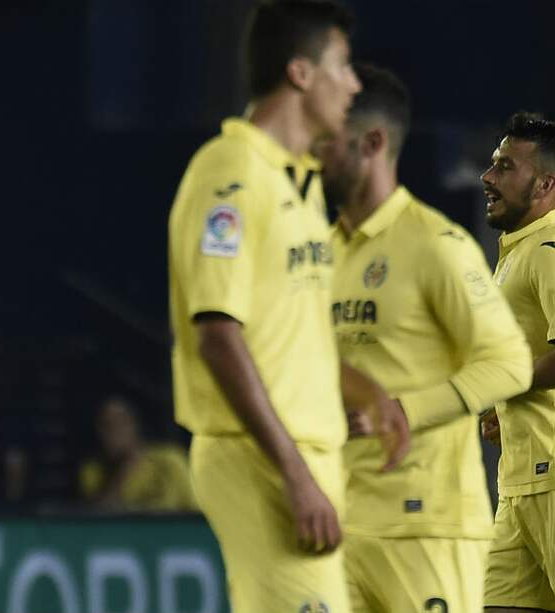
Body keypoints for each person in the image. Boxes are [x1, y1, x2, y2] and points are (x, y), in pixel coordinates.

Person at [168, 2, 407, 611]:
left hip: (308, 455)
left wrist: (367, 394)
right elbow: (218, 335)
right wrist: (294, 475)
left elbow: (289, 338)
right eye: (342, 66)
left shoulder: (296, 183)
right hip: (262, 461)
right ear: (300, 73)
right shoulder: (230, 173)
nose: (353, 85)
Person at [318, 64, 532, 613]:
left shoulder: (436, 244)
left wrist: (402, 411)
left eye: (328, 139)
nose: (315, 151)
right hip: (340, 523)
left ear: (372, 142)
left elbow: (510, 363)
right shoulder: (319, 255)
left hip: (428, 528)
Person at [479, 113, 555, 612]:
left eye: (505, 166)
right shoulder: (517, 251)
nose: (488, 177)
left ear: (545, 184)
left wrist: (504, 382)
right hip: (520, 480)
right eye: (493, 163)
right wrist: (503, 409)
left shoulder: (549, 248)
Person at [79, 395, 196, 512]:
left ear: (134, 424)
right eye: (106, 425)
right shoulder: (93, 470)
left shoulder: (170, 459)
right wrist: (123, 471)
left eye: (121, 421)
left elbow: (195, 510)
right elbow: (98, 515)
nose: (114, 430)